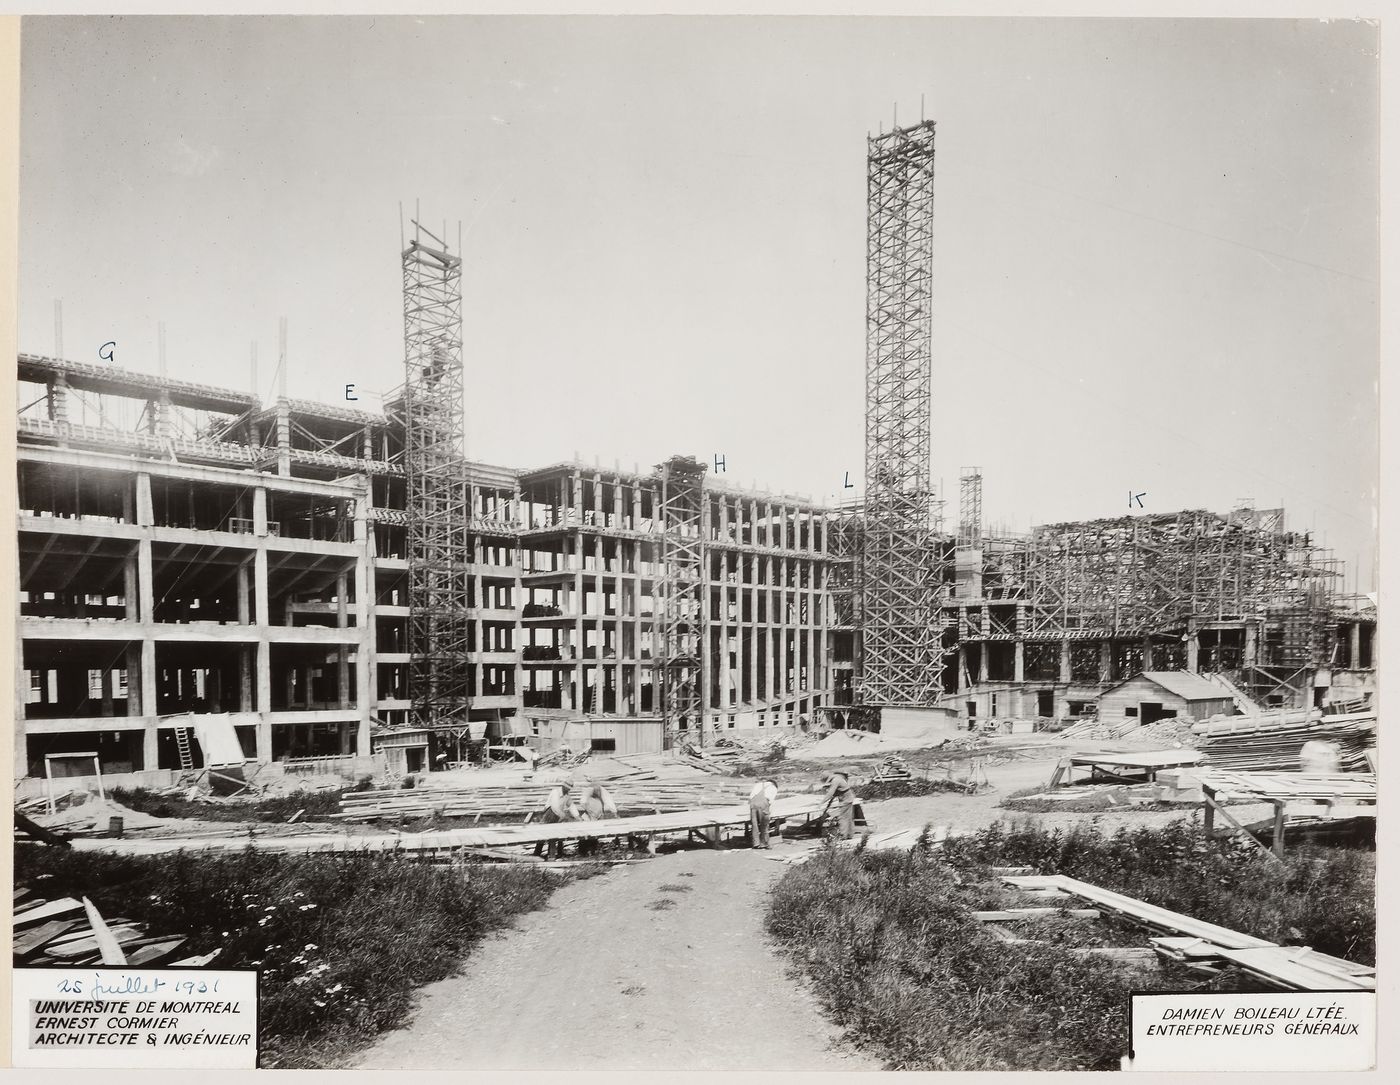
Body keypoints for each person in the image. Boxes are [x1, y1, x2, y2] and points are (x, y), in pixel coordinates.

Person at [532, 780, 579, 860]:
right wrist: (565, 816)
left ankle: (555, 854)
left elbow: (571, 806)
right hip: (549, 814)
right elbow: (554, 807)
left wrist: (578, 817)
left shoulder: (567, 796)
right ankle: (537, 853)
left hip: (558, 815)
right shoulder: (555, 792)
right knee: (543, 835)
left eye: (569, 789)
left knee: (558, 835)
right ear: (563, 786)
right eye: (567, 788)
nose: (568, 790)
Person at [576, 782, 619, 856]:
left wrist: (614, 813)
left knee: (595, 836)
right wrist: (588, 811)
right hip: (588, 818)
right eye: (596, 791)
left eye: (598, 791)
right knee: (585, 835)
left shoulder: (602, 794)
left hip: (597, 818)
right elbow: (583, 803)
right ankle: (583, 852)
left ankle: (592, 851)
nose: (597, 792)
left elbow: (608, 802)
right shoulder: (588, 794)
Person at [819, 771, 858, 840]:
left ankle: (843, 835)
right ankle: (849, 834)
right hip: (847, 798)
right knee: (848, 817)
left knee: (842, 817)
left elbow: (830, 793)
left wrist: (821, 802)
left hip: (846, 799)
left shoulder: (835, 780)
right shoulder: (837, 778)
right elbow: (838, 790)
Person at [749, 777, 778, 849]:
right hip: (763, 804)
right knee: (764, 824)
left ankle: (756, 843)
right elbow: (770, 801)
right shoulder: (773, 787)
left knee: (754, 824)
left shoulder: (758, 785)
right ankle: (764, 843)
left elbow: (750, 797)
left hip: (753, 804)